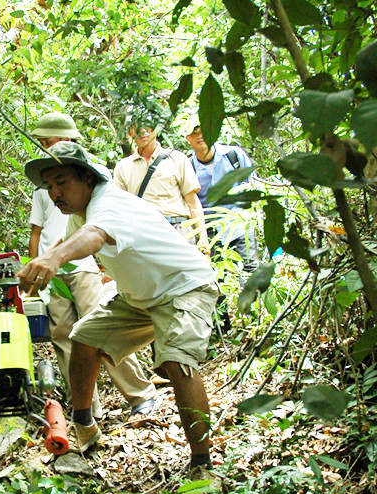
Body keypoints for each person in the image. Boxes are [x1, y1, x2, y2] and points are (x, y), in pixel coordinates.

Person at [17, 142, 219, 474]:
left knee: (177, 362)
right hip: (141, 297)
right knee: (85, 338)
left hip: (184, 286)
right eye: (49, 186)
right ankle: (85, 429)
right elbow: (69, 241)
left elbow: (95, 235)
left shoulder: (107, 202)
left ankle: (203, 464)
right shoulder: (81, 211)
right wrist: (36, 264)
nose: (54, 193)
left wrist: (53, 259)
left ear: (86, 178)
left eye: (62, 182)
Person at [28, 112, 158, 424]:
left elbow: (107, 223)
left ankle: (140, 393)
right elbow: (37, 230)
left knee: (98, 329)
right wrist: (34, 268)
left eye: (51, 141)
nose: (46, 147)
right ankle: (84, 408)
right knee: (63, 336)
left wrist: (107, 266)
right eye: (43, 143)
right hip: (53, 268)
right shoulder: (43, 185)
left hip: (85, 263)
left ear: (69, 140)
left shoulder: (94, 174)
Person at [114, 119, 210, 251]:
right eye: (135, 126)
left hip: (178, 230)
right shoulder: (123, 167)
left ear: (156, 128)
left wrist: (203, 238)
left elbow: (192, 202)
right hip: (144, 234)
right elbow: (121, 210)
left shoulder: (177, 159)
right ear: (129, 133)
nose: (142, 131)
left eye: (147, 125)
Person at [181, 114, 259, 274]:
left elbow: (252, 186)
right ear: (187, 138)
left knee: (250, 272)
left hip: (240, 225)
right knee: (219, 279)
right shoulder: (188, 167)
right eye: (194, 133)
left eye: (204, 130)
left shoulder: (234, 155)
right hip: (212, 232)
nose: (200, 136)